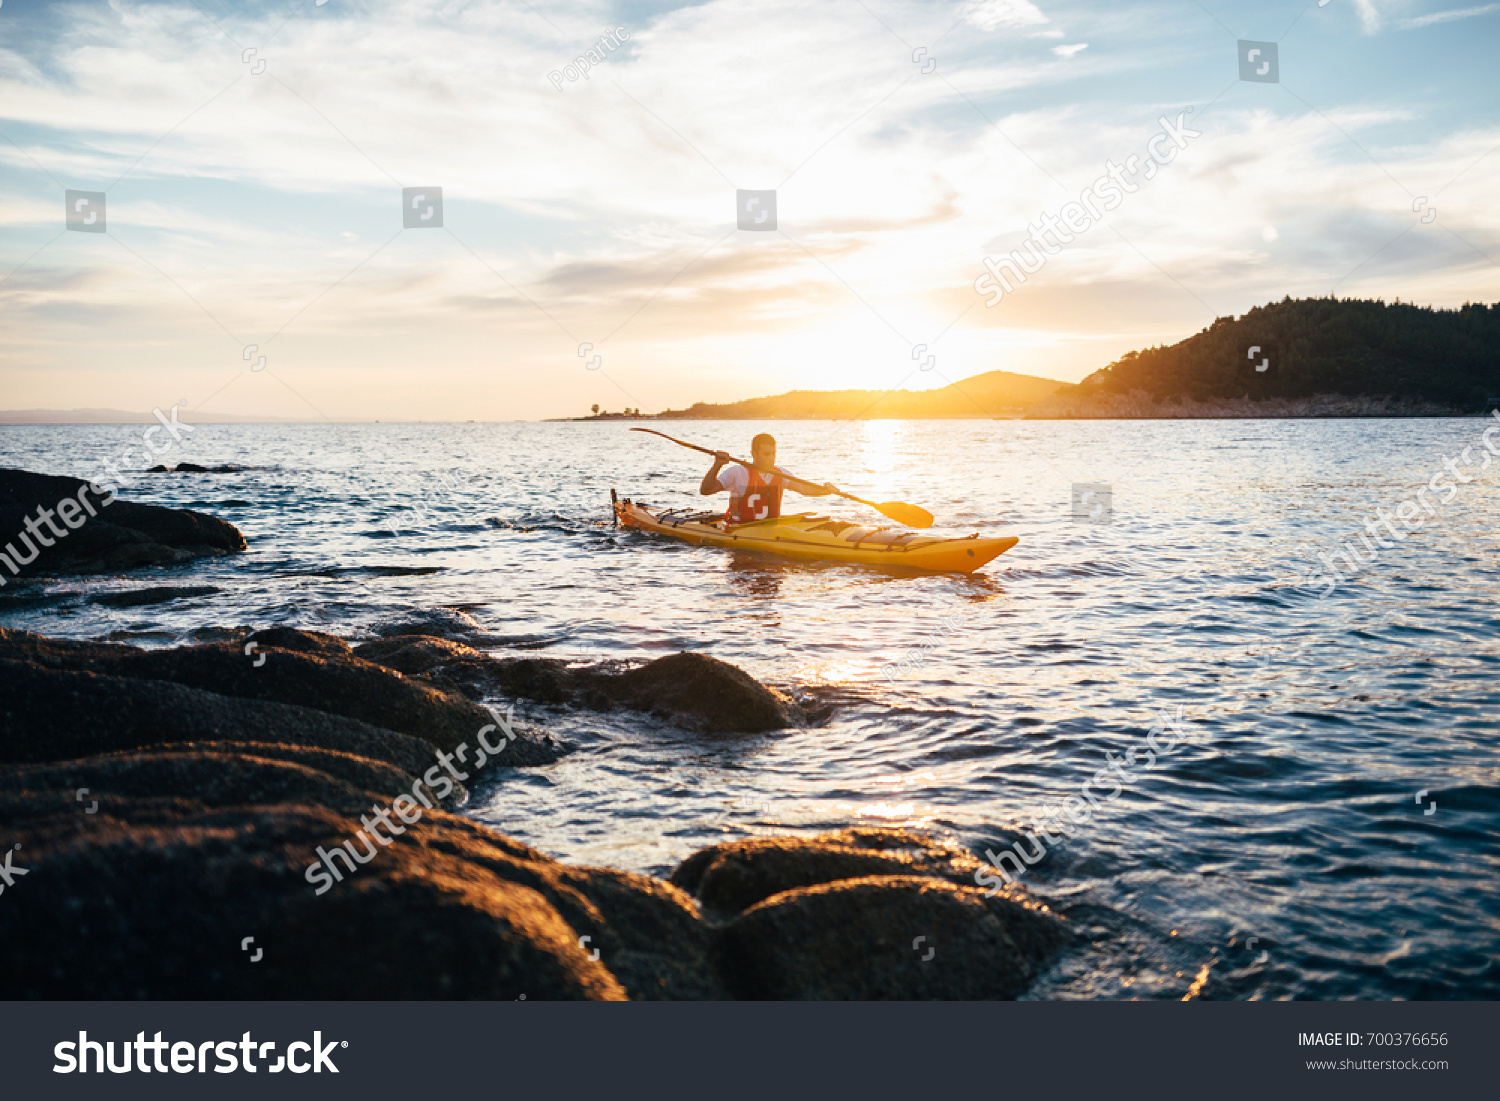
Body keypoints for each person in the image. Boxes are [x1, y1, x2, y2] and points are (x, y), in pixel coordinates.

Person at [699, 433, 837, 524]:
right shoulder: (738, 472)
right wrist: (717, 465)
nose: (771, 458)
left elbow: (804, 489)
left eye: (773, 453)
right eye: (766, 454)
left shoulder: (782, 473)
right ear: (753, 454)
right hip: (739, 529)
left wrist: (825, 490)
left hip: (770, 530)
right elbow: (706, 490)